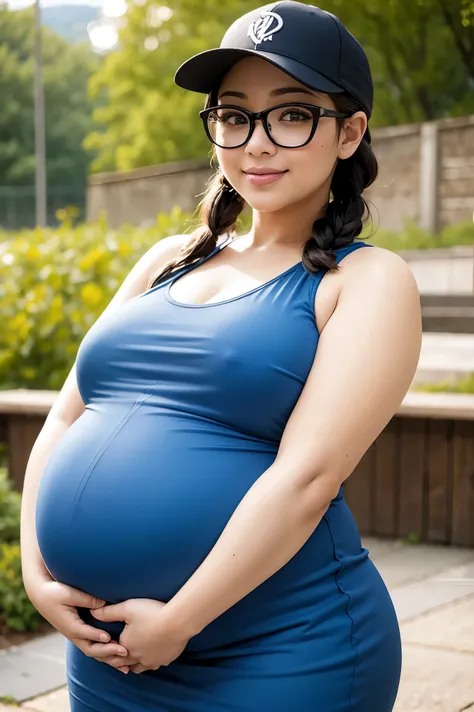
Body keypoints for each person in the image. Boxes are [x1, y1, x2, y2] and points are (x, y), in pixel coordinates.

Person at [21, 2, 422, 711]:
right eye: (234, 116)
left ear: (349, 131)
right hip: (109, 654)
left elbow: (307, 478)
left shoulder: (364, 280)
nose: (256, 142)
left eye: (291, 114)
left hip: (280, 651)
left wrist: (180, 620)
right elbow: (63, 419)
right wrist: (36, 577)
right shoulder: (164, 261)